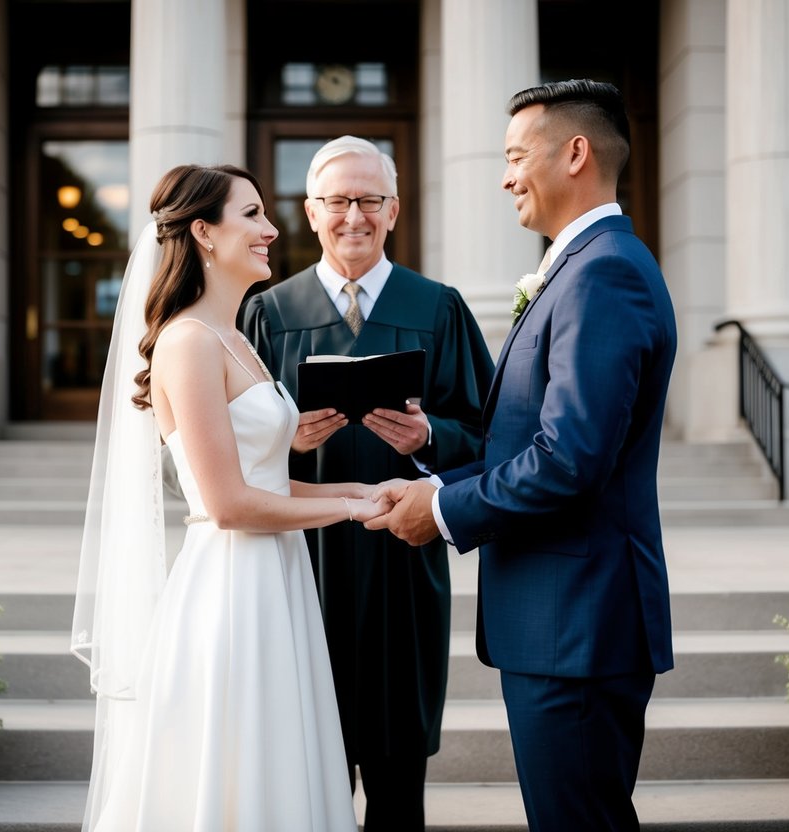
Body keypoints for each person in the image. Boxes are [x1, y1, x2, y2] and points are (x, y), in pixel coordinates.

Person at [368, 80, 677, 831]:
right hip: (564, 621)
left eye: (514, 156)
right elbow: (530, 444)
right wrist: (432, 479)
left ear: (574, 153)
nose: (504, 176)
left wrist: (440, 510)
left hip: (577, 624)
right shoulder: (584, 268)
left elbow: (568, 460)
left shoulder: (601, 274)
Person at [71, 163, 389, 831]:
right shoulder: (188, 343)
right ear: (203, 233)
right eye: (251, 215)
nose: (271, 230)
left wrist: (360, 486)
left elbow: (264, 481)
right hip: (230, 585)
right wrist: (354, 507)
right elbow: (227, 505)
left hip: (275, 573)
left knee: (277, 758)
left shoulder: (235, 338)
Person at [242, 136, 496, 830]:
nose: (353, 215)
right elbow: (226, 446)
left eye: (369, 200)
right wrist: (284, 440)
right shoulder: (268, 313)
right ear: (310, 211)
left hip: (401, 557)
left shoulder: (437, 307)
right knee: (302, 765)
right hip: (302, 560)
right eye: (337, 201)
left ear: (393, 211)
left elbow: (489, 435)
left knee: (394, 768)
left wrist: (432, 437)